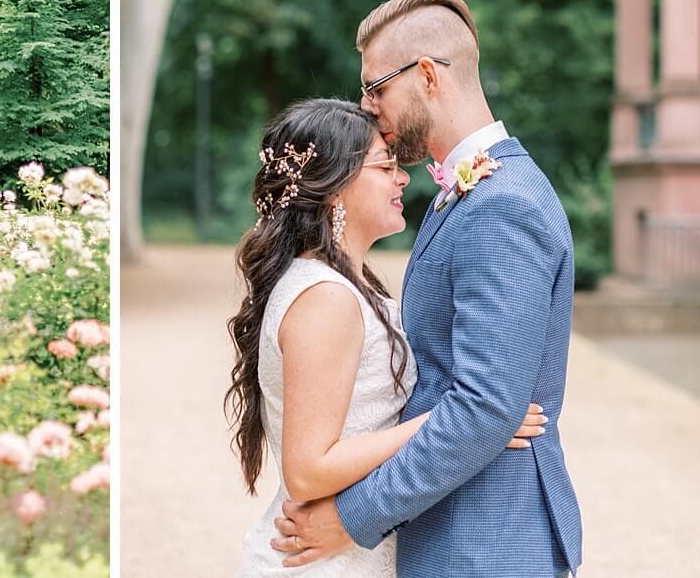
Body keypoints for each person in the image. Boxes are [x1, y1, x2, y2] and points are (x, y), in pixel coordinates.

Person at [270, 0, 582, 577]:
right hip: (453, 532)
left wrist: (350, 517)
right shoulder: (465, 195)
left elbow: (488, 406)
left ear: (429, 77)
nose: (367, 108)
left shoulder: (503, 205)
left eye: (375, 87)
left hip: (486, 540)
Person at [227, 97, 547, 576]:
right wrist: (468, 419)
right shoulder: (325, 298)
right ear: (335, 189)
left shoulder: (348, 285)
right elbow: (308, 469)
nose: (402, 179)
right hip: (319, 560)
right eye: (385, 167)